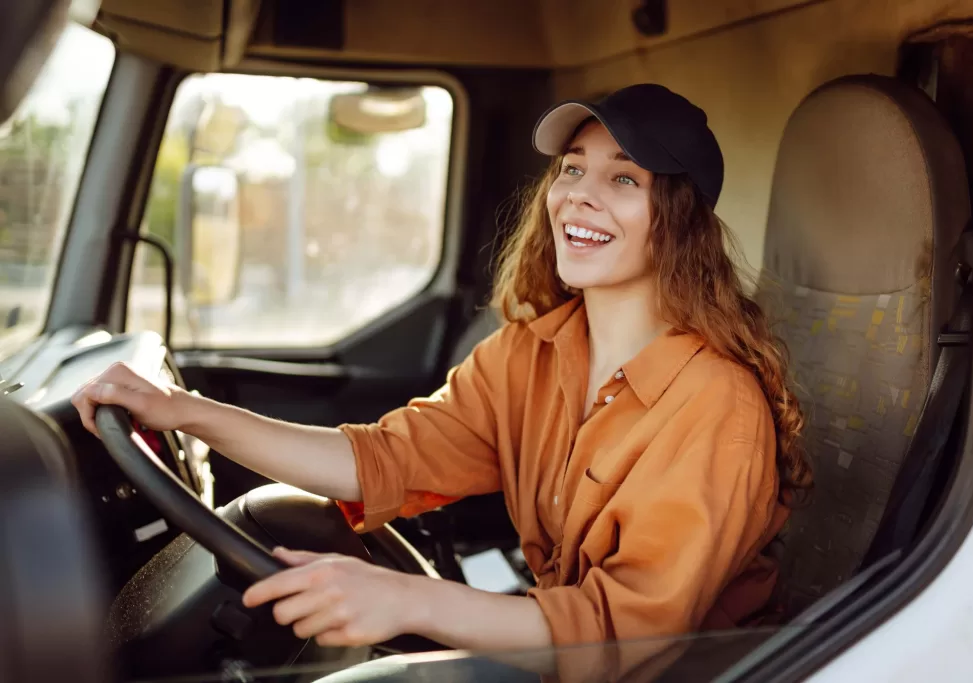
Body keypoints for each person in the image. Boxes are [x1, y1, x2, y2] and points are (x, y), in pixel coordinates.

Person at [72, 84, 811, 667]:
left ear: (677, 221)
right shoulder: (533, 352)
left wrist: (408, 601)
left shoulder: (717, 405)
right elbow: (379, 459)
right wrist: (184, 410)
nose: (578, 195)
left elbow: (624, 633)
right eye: (573, 169)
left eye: (623, 179)